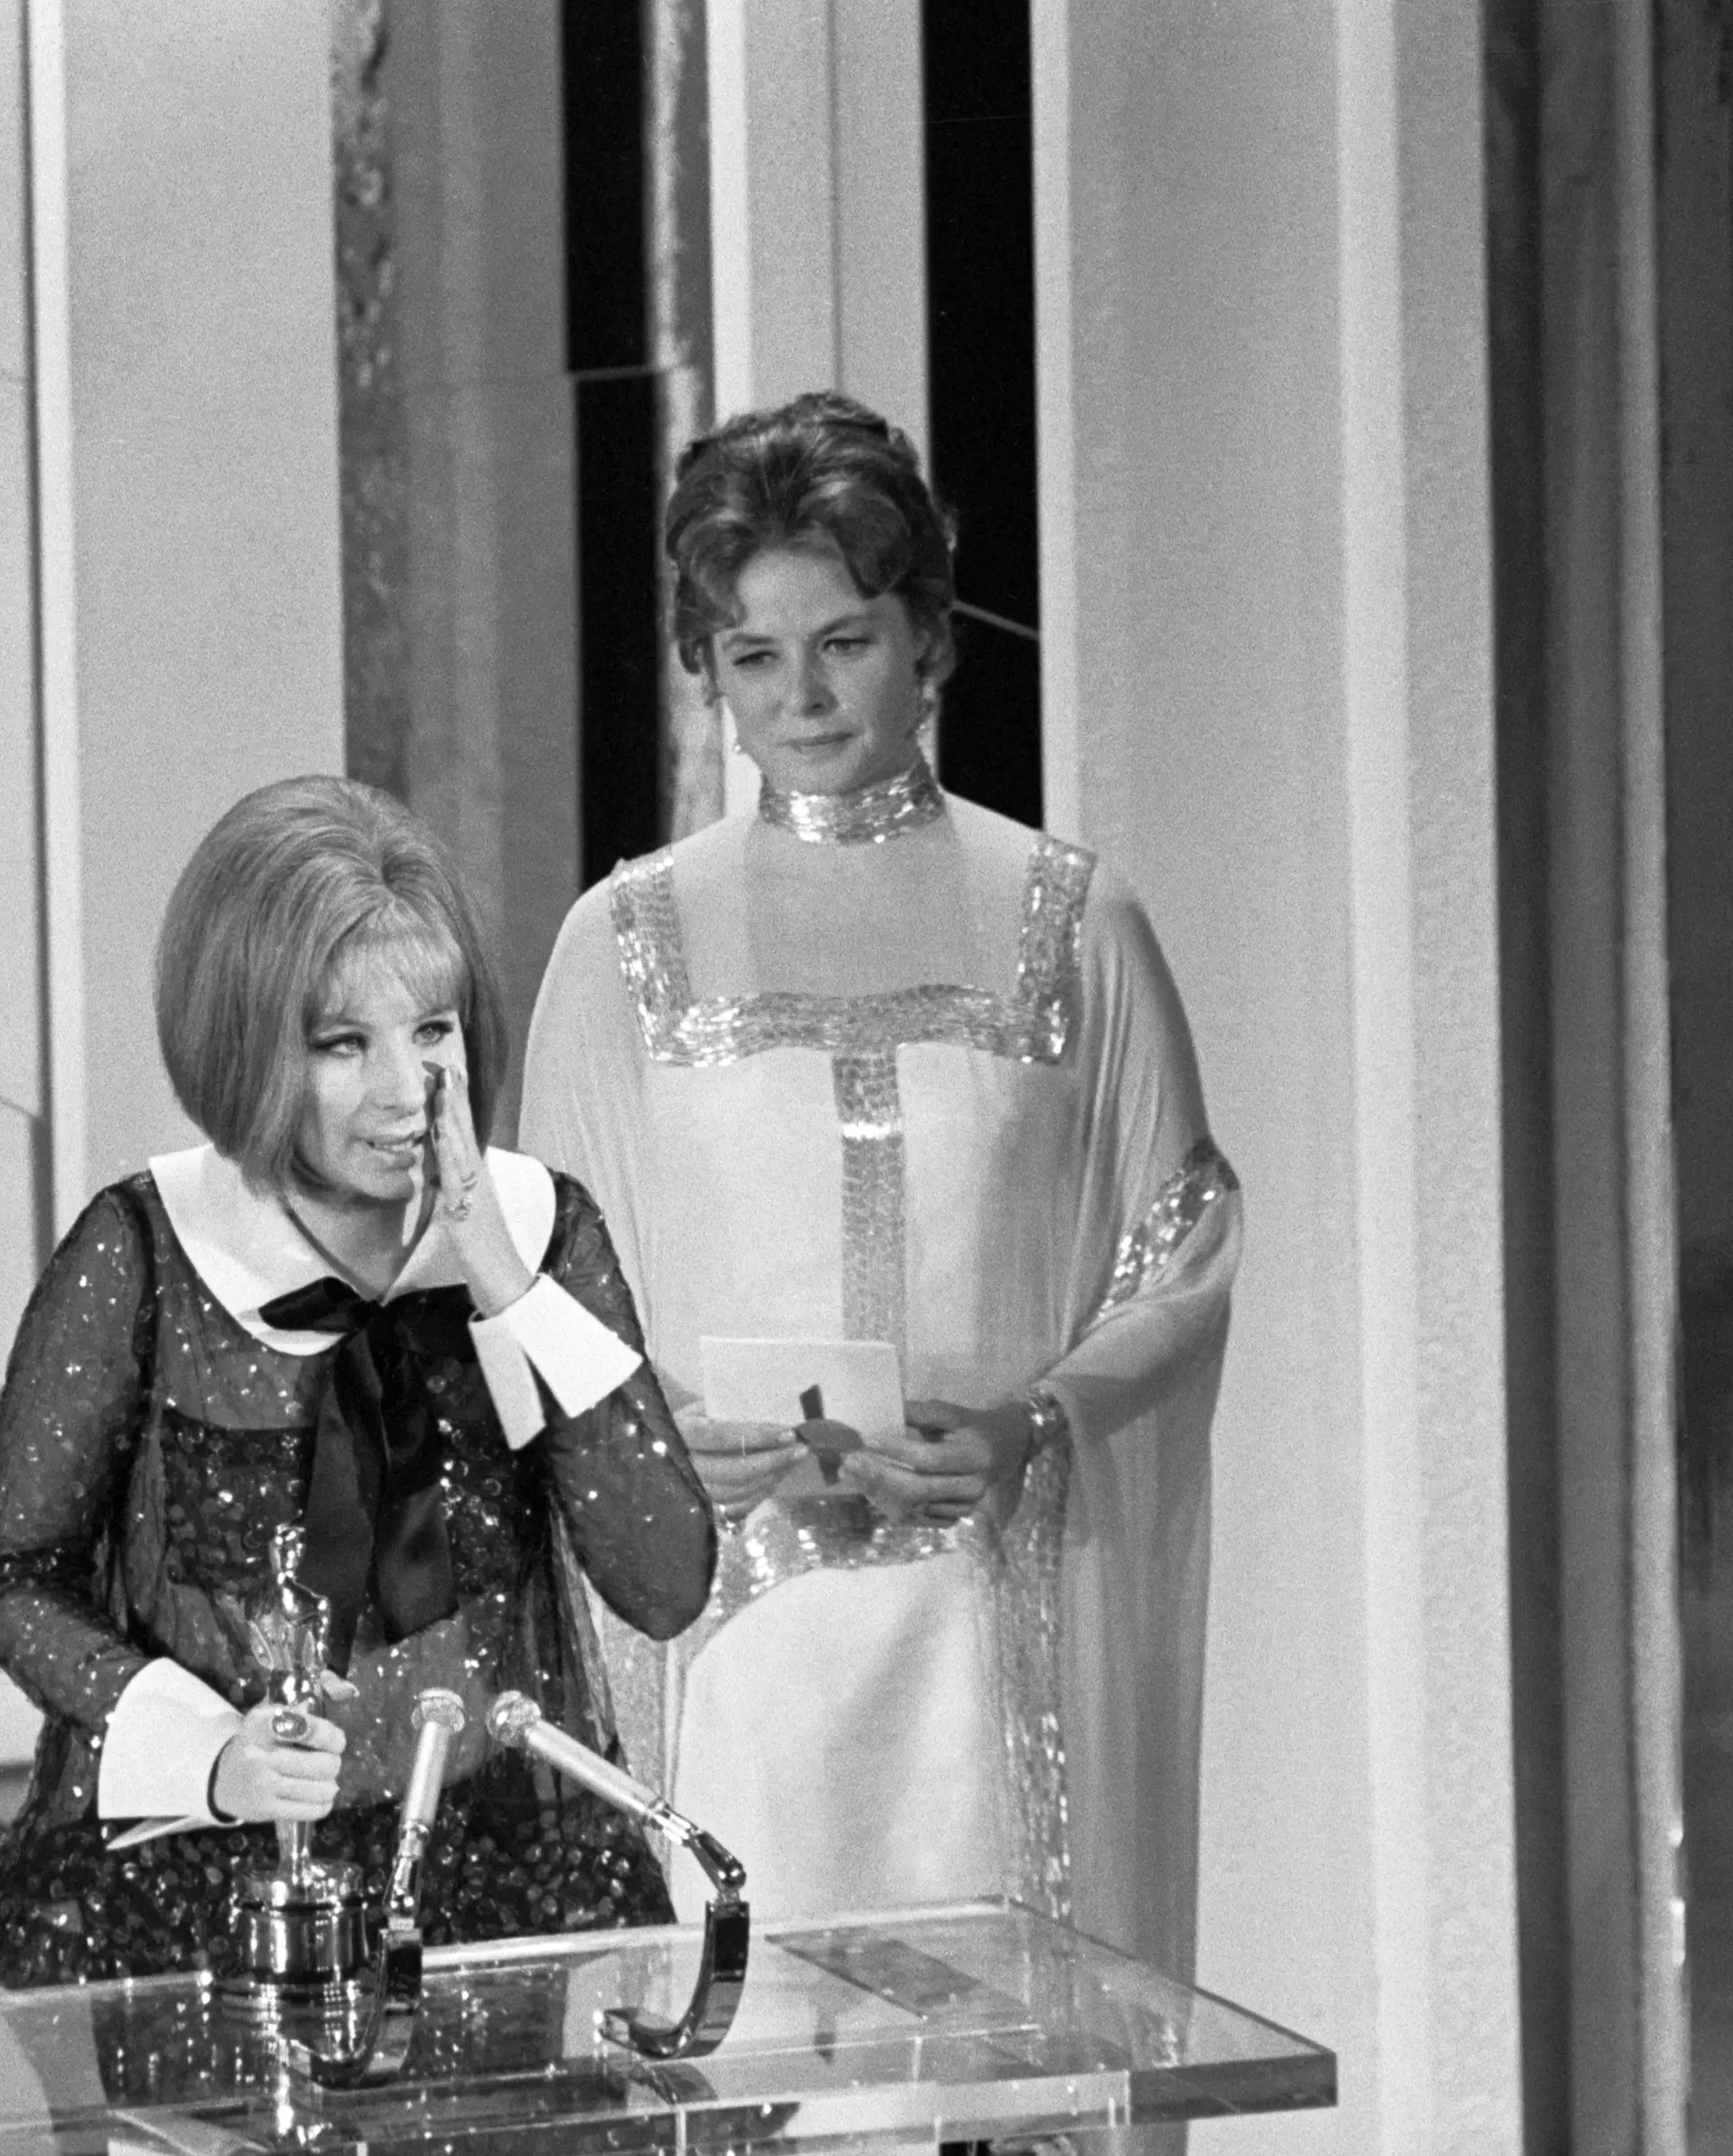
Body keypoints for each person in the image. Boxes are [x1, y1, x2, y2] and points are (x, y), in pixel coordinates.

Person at [519, 392, 1240, 1989]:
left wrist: (1030, 1425)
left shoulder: (1071, 919)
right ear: (709, 672)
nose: (801, 696)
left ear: (929, 636)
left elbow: (1179, 1250)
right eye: (752, 655)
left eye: (842, 641)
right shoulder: (625, 940)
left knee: (1006, 2057)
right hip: (738, 1649)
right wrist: (649, 1444)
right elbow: (544, 1295)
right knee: (755, 2050)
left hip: (998, 1637)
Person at [0, 775, 715, 1988]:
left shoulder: (540, 1229)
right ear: (248, 1046)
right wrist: (210, 1755)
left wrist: (500, 1276)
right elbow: (13, 1577)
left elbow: (667, 1583)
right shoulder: (146, 1249)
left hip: (495, 1890)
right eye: (342, 1044)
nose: (404, 1092)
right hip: (209, 1888)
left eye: (433, 1031)